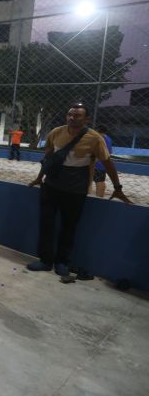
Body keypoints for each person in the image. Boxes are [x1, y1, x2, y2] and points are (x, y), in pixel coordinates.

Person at [27, 103, 131, 276]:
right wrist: (40, 178)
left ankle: (62, 262)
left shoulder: (95, 138)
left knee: (69, 227)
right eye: (70, 114)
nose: (72, 118)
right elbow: (49, 158)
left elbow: (107, 163)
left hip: (76, 190)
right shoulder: (56, 132)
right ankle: (45, 260)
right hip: (51, 186)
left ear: (86, 118)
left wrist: (117, 187)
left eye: (77, 115)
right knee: (47, 224)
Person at [92, 125, 113, 198]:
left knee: (99, 181)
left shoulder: (99, 138)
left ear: (97, 131)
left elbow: (97, 153)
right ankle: (100, 197)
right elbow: (109, 152)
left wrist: (92, 163)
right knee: (100, 181)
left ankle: (99, 197)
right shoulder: (108, 139)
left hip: (97, 164)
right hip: (103, 164)